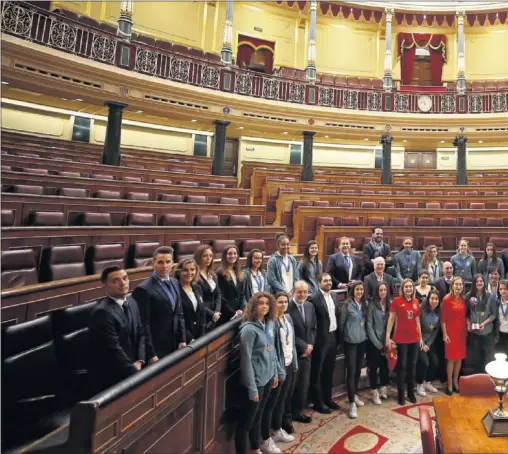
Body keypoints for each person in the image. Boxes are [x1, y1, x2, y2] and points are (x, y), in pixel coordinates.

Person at [236, 292, 285, 454]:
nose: (264, 306)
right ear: (253, 306)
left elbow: (272, 352)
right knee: (245, 424)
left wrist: (276, 373)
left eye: (266, 303)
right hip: (255, 382)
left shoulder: (269, 323)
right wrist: (252, 388)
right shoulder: (248, 330)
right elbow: (246, 361)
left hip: (268, 378)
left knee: (258, 416)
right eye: (260, 303)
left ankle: (256, 448)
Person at [89, 266, 147, 392]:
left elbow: (141, 332)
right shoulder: (103, 312)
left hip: (135, 367)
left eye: (125, 278)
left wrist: (140, 360)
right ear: (104, 285)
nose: (123, 283)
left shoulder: (132, 301)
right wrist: (133, 370)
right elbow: (113, 348)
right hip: (115, 377)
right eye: (115, 281)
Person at [133, 246, 186, 361]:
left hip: (175, 343)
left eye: (168, 262)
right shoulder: (143, 289)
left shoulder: (175, 282)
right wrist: (150, 353)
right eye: (160, 262)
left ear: (173, 263)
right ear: (153, 263)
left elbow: (179, 313)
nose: (165, 266)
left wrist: (182, 339)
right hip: (157, 349)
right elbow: (143, 325)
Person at [264, 293, 297, 446]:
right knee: (273, 402)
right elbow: (272, 349)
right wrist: (277, 370)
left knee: (283, 399)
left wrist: (294, 363)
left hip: (290, 362)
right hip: (279, 367)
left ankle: (277, 429)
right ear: (274, 304)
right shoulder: (271, 322)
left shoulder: (288, 318)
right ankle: (268, 434)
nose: (283, 305)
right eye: (280, 302)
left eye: (285, 302)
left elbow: (292, 343)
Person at [307, 273, 341, 413]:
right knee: (318, 372)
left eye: (329, 280)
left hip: (333, 337)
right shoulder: (313, 298)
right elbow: (312, 323)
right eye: (325, 281)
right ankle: (317, 402)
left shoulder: (334, 295)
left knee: (329, 371)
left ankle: (328, 398)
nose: (328, 283)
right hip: (320, 340)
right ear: (319, 282)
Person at [386, 278, 422, 405]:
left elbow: (417, 321)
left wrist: (421, 338)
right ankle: (401, 394)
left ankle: (411, 393)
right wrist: (387, 337)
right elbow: (391, 319)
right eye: (406, 287)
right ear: (402, 289)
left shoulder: (416, 302)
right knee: (402, 367)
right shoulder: (397, 301)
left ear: (413, 289)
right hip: (401, 339)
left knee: (412, 367)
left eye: (410, 287)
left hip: (414, 339)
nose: (408, 289)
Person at [287, 281, 316, 424]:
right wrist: (303, 346)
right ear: (293, 292)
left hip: (308, 353)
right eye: (299, 292)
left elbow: (313, 328)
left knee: (303, 385)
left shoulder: (310, 306)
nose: (302, 294)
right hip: (294, 353)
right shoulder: (287, 308)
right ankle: (287, 416)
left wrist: (310, 346)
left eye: (305, 292)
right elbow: (289, 332)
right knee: (291, 386)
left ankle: (298, 412)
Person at [340, 281, 368, 419]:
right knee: (351, 371)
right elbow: (342, 324)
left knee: (357, 370)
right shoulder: (347, 305)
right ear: (353, 291)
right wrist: (342, 340)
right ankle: (351, 403)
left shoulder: (364, 304)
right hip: (350, 342)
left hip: (362, 341)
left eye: (361, 289)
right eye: (357, 289)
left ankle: (354, 394)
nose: (359, 292)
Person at [465, 274, 497, 374]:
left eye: (481, 281)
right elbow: (466, 314)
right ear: (474, 283)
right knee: (477, 358)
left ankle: (489, 379)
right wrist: (468, 323)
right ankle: (478, 379)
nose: (479, 283)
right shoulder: (468, 296)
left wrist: (484, 323)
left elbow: (493, 315)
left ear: (484, 282)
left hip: (487, 332)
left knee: (489, 357)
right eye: (477, 281)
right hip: (474, 333)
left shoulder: (490, 296)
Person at [366, 282, 391, 405]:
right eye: (380, 290)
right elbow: (369, 326)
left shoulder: (389, 304)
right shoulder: (372, 305)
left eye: (385, 290)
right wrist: (377, 343)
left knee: (384, 366)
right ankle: (374, 390)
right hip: (374, 342)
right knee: (374, 366)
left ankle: (383, 387)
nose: (383, 292)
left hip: (386, 341)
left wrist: (388, 340)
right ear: (377, 291)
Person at [441, 277, 467, 395]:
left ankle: (456, 381)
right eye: (456, 284)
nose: (458, 287)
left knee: (459, 359)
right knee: (451, 359)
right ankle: (450, 382)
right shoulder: (447, 299)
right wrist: (445, 334)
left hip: (461, 332)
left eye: (460, 284)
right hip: (450, 333)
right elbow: (443, 320)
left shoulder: (463, 299)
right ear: (452, 286)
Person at [415, 290, 441, 397]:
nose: (434, 301)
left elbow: (435, 330)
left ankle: (427, 382)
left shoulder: (439, 312)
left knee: (435, 362)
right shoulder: (421, 309)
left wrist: (428, 344)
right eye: (432, 298)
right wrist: (421, 342)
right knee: (424, 362)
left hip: (429, 341)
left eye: (436, 299)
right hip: (419, 340)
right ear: (428, 299)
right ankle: (419, 384)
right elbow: (417, 325)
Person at [176, 259, 206, 343]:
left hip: (199, 336)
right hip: (184, 339)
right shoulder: (175, 290)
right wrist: (190, 339)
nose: (189, 273)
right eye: (185, 270)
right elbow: (177, 318)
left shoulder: (197, 287)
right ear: (179, 272)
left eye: (192, 269)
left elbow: (202, 312)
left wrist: (202, 335)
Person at [216, 245, 246, 324]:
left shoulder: (239, 272)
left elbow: (241, 294)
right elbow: (221, 297)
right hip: (226, 315)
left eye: (235, 253)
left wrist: (241, 309)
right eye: (229, 254)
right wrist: (233, 312)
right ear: (225, 256)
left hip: (239, 313)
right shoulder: (220, 273)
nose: (232, 256)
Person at [194, 245, 221, 328]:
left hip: (215, 316)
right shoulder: (195, 276)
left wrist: (217, 311)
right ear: (199, 257)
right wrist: (212, 314)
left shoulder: (213, 274)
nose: (209, 258)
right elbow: (199, 301)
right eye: (205, 256)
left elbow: (218, 294)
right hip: (202, 317)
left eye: (211, 256)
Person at [495, 280, 508, 354]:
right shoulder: (497, 303)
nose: (503, 291)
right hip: (500, 334)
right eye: (501, 289)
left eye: (505, 289)